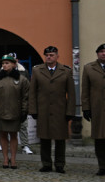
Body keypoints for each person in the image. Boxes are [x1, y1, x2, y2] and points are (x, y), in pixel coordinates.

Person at [29, 45, 74, 173]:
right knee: (44, 138)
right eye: (47, 55)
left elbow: (71, 93)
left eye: (52, 55)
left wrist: (70, 111)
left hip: (60, 110)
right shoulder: (38, 70)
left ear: (57, 56)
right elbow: (32, 92)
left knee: (60, 139)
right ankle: (46, 163)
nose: (49, 57)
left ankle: (60, 164)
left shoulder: (66, 71)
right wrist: (33, 110)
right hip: (43, 109)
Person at [0, 54, 29, 169]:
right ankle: (5, 158)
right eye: (3, 63)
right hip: (0, 111)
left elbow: (26, 96)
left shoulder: (22, 79)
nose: (4, 65)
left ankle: (14, 159)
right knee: (2, 134)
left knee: (13, 135)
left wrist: (24, 111)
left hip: (15, 111)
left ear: (13, 64)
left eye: (7, 63)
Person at [81, 42, 105, 176]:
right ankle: (102, 166)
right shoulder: (89, 68)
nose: (104, 54)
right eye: (101, 52)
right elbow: (85, 90)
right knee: (99, 139)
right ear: (97, 54)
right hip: (97, 109)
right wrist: (86, 108)